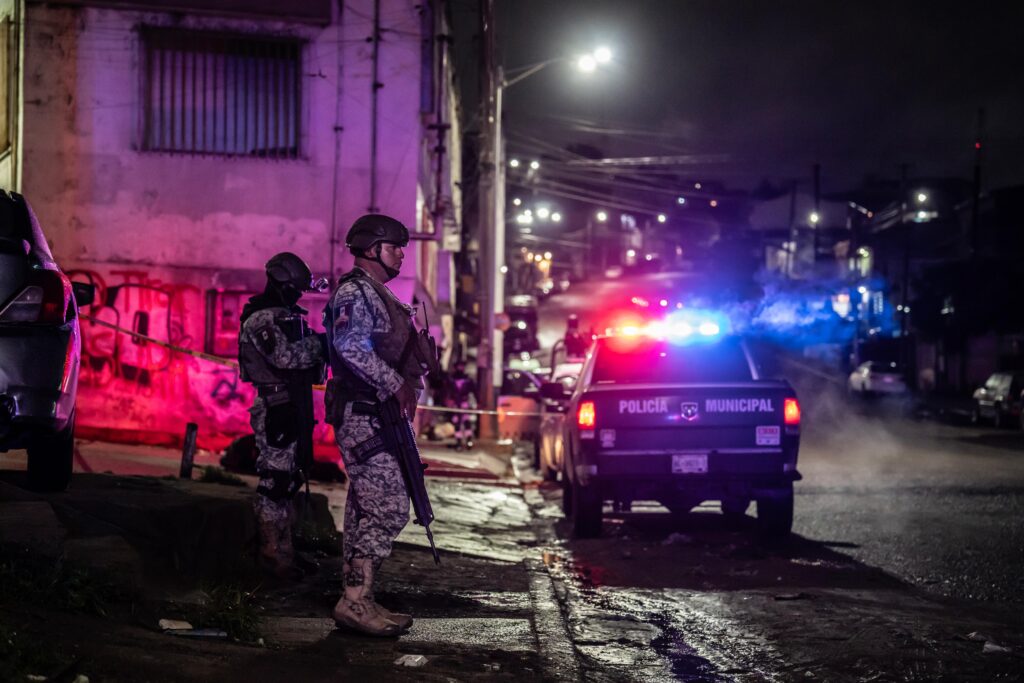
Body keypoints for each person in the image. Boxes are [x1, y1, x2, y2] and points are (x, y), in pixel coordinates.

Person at [322, 214, 429, 637]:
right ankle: (354, 601)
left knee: (365, 507)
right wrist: (394, 383)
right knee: (388, 506)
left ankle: (359, 598)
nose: (402, 253)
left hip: (378, 414)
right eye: (394, 245)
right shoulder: (354, 293)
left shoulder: (377, 295)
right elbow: (349, 346)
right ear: (371, 249)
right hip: (364, 413)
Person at [238, 252, 327, 579]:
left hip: (292, 406)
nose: (298, 295)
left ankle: (285, 552)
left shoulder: (283, 316)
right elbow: (286, 357)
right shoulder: (263, 319)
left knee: (290, 479)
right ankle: (272, 556)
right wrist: (322, 344)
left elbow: (308, 367)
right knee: (275, 483)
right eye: (295, 288)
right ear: (280, 283)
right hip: (276, 408)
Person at [448, 360, 477, 451]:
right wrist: (449, 401)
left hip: (464, 403)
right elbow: (448, 391)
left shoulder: (468, 379)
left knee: (466, 421)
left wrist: (477, 402)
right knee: (457, 422)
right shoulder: (452, 378)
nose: (461, 368)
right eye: (459, 366)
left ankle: (469, 441)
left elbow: (474, 391)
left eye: (462, 366)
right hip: (455, 403)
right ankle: (458, 442)